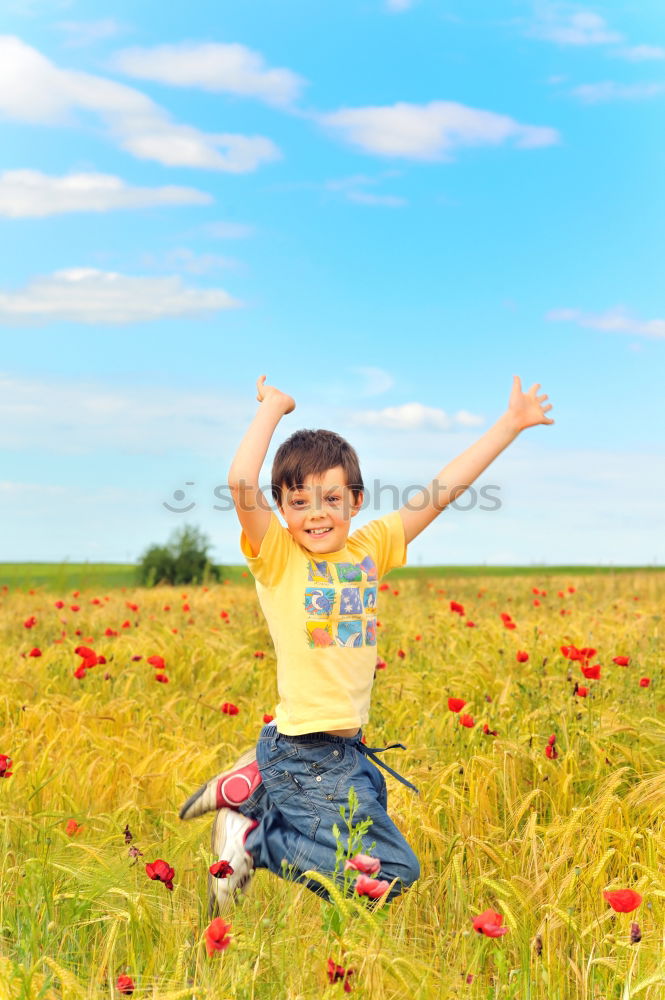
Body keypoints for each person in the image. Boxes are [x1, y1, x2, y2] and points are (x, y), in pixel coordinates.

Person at [179, 374, 554, 914]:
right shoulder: (280, 557)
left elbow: (442, 492)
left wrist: (510, 424)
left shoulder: (370, 546)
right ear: (281, 509)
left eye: (331, 498)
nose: (316, 513)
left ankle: (256, 792)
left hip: (345, 752)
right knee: (395, 872)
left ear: (356, 501)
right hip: (305, 752)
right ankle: (255, 840)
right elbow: (241, 480)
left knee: (370, 867)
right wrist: (274, 408)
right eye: (299, 500)